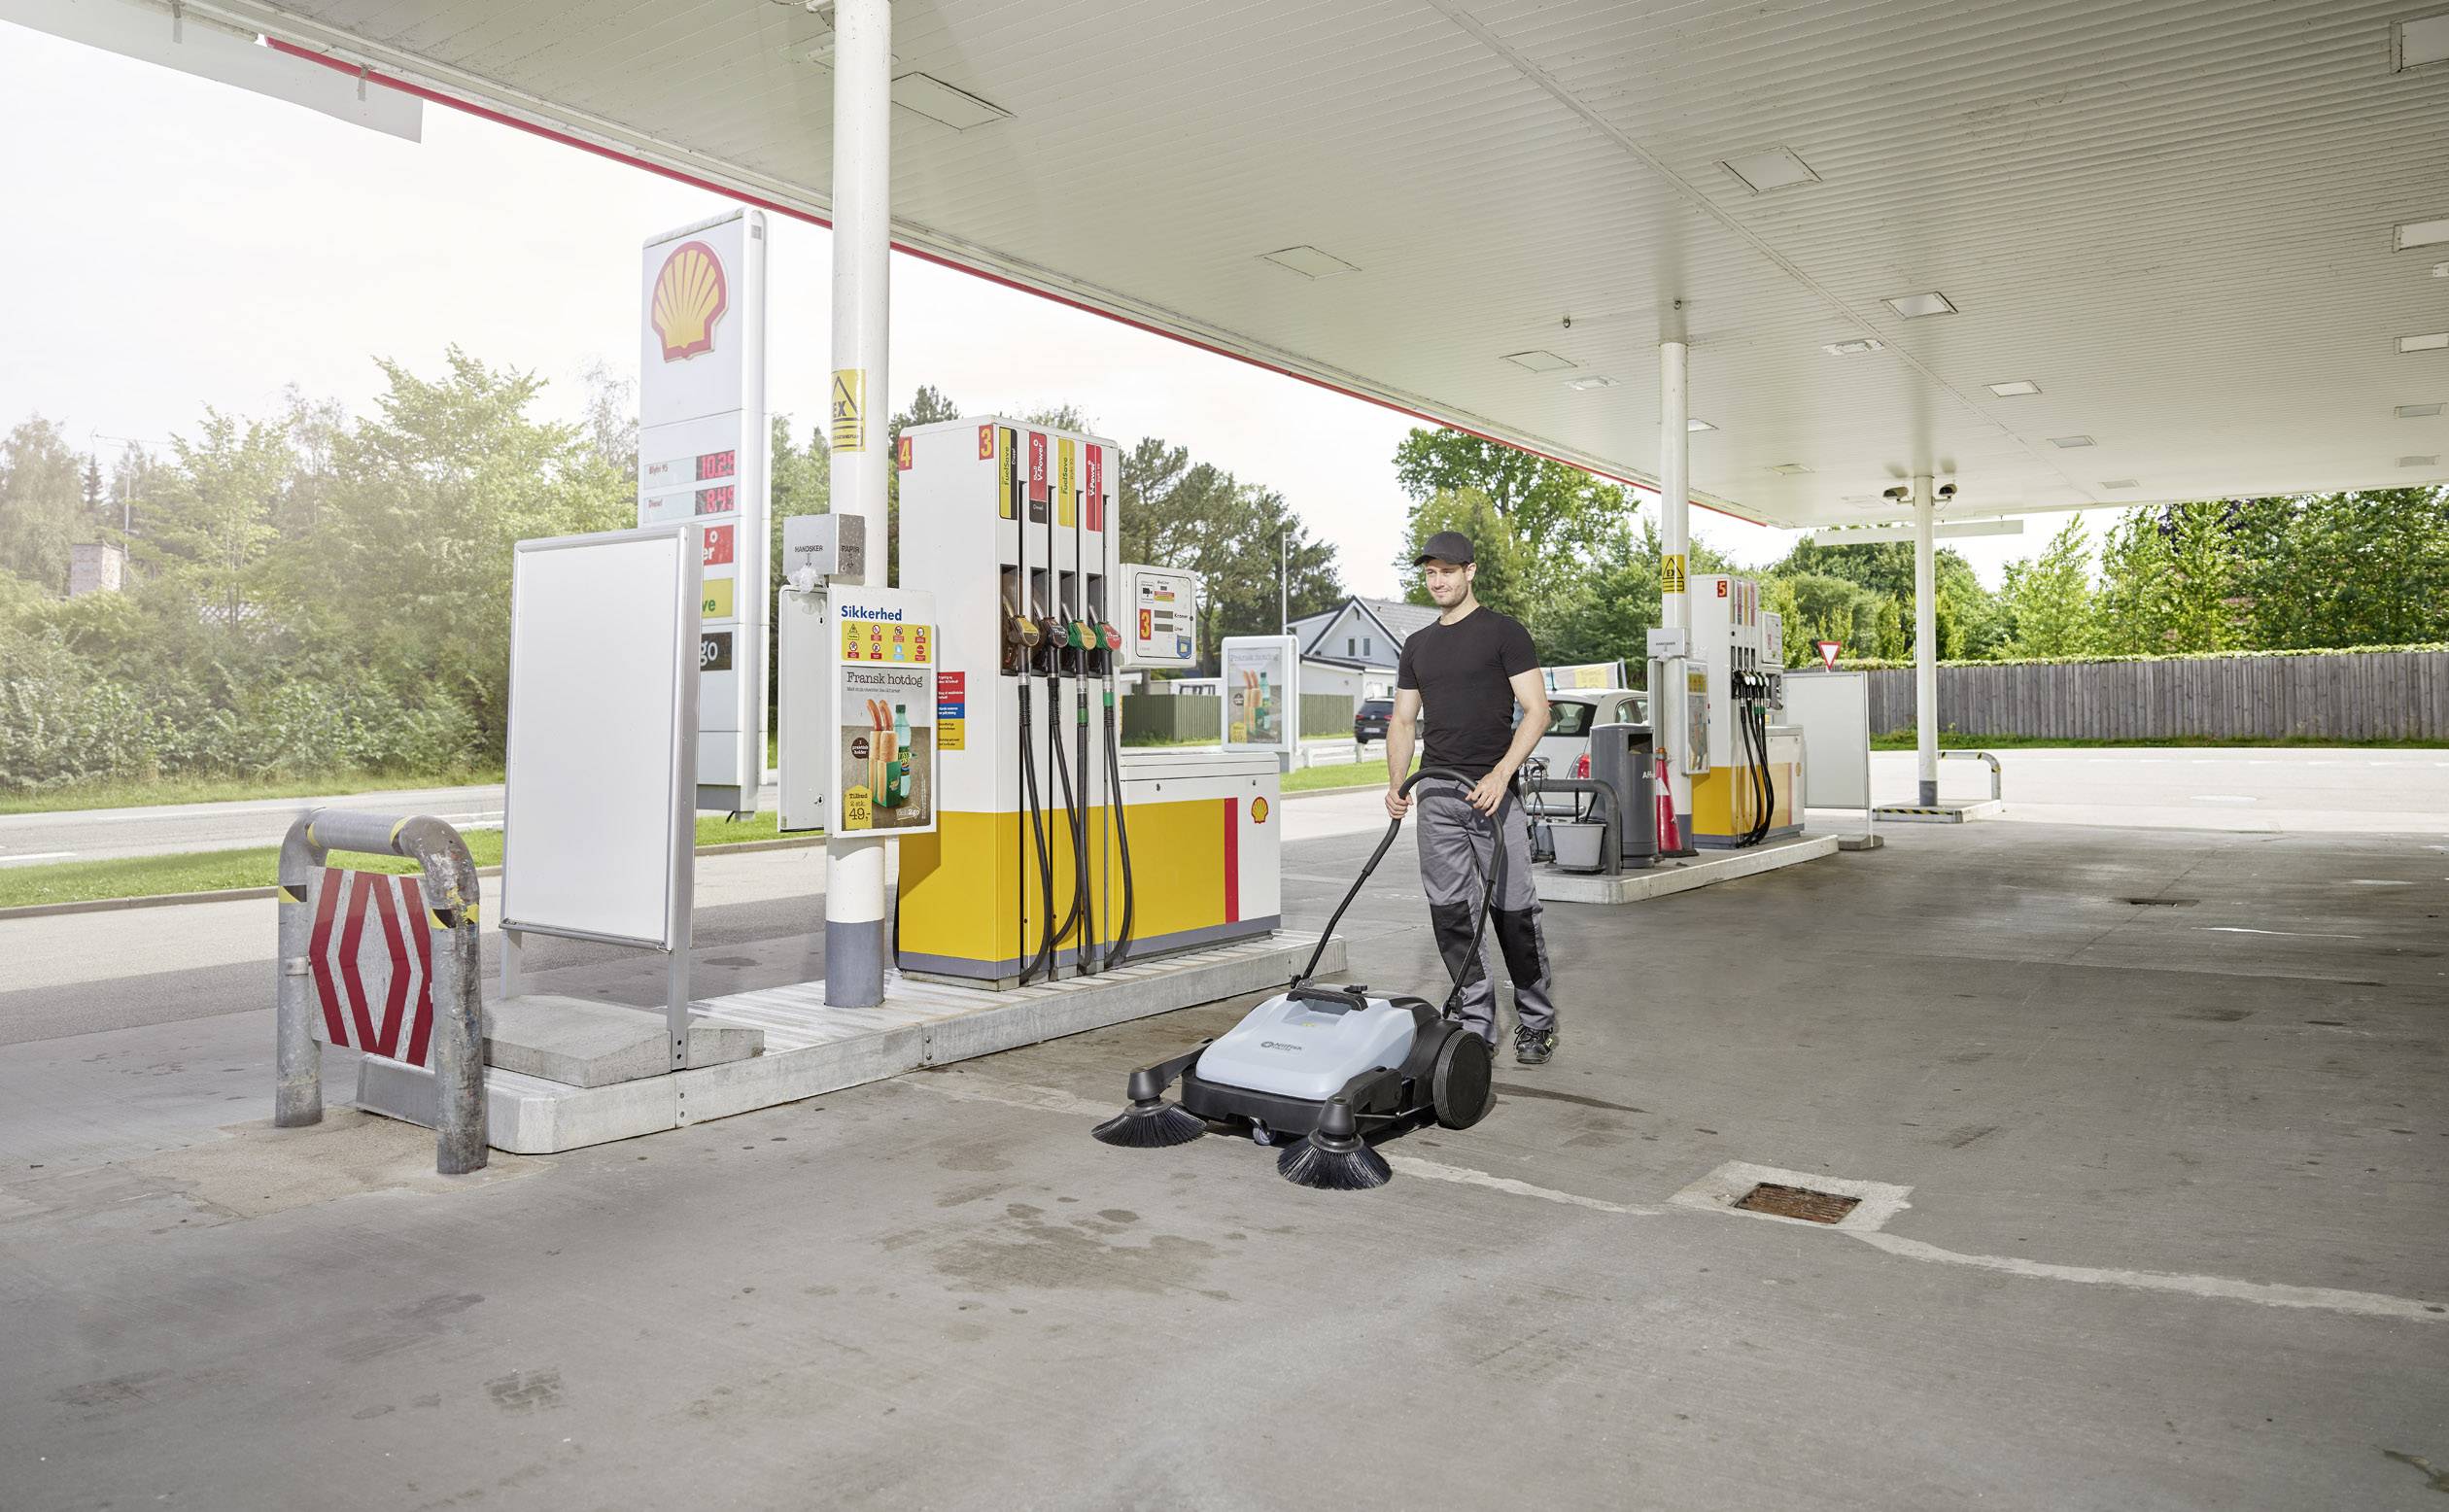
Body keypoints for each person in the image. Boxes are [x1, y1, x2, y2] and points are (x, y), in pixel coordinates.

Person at [1383, 531, 1559, 1064]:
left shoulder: (1503, 633)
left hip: (1491, 794)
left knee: (1513, 912)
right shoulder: (1418, 645)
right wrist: (1396, 785)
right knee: (1452, 913)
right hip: (1436, 794)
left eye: (1448, 571)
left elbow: (1537, 711)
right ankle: (1475, 1019)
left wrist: (1503, 774)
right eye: (1431, 572)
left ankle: (1536, 1020)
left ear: (1470, 572)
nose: (1438, 580)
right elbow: (1402, 720)